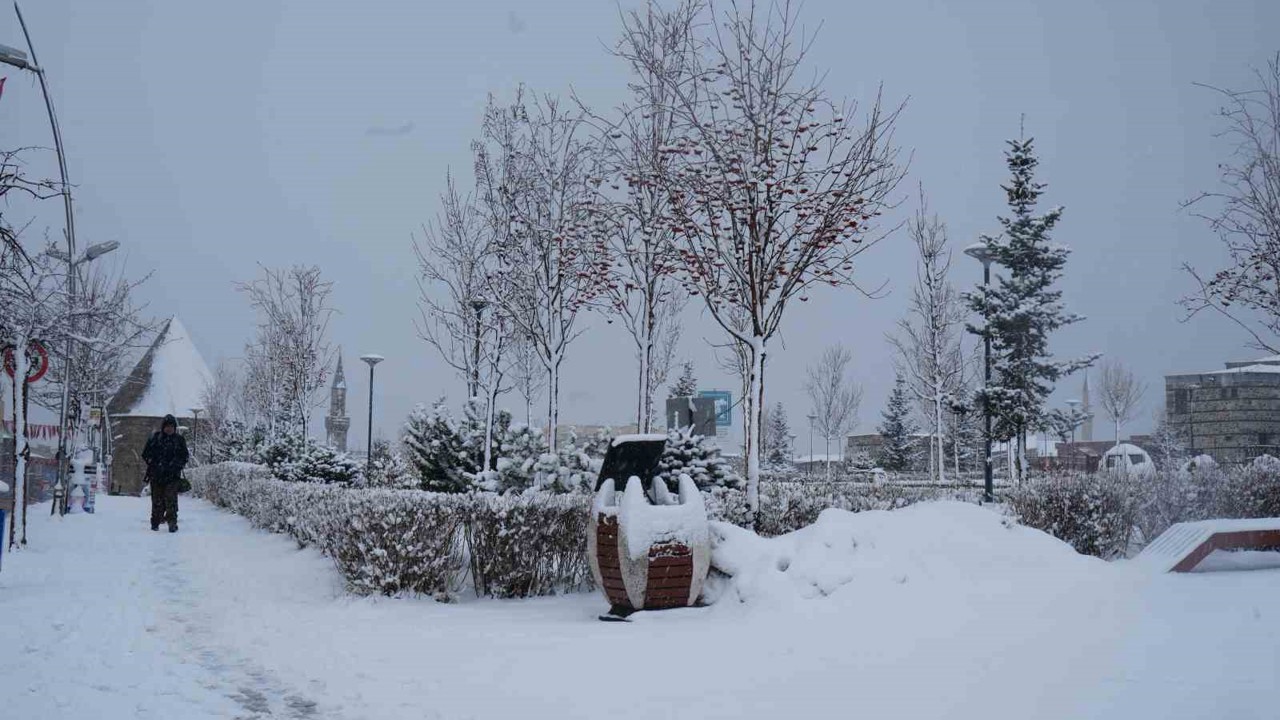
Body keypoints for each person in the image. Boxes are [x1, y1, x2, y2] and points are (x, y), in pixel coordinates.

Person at [142, 414, 189, 532]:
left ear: (175, 427)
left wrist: (176, 465)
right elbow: (146, 454)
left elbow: (184, 456)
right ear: (163, 427)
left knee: (171, 500)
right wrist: (153, 463)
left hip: (172, 476)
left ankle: (172, 523)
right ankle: (155, 522)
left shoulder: (179, 440)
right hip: (156, 475)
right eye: (167, 426)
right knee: (157, 501)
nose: (169, 429)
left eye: (171, 426)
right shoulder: (155, 438)